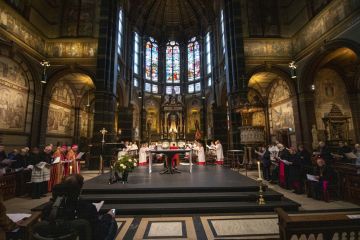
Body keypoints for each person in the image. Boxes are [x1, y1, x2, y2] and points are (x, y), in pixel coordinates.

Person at [40, 174, 118, 240]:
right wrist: (108, 216)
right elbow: (99, 234)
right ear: (80, 190)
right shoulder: (87, 208)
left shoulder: (48, 208)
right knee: (111, 221)